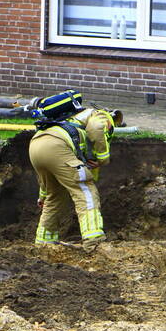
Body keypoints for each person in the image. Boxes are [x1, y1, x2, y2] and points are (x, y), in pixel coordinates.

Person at [27, 90, 123, 249]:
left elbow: (46, 177)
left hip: (35, 145)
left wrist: (42, 196)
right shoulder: (100, 115)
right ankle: (94, 240)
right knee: (85, 191)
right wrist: (102, 158)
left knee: (54, 196)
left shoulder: (65, 119)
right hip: (58, 146)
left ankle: (44, 243)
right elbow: (97, 128)